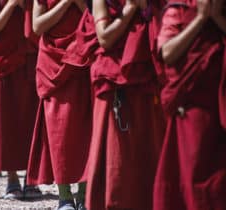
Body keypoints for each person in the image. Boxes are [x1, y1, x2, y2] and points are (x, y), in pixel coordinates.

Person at [85, 0, 166, 209]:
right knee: (117, 160)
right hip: (113, 82)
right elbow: (104, 38)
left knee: (148, 152)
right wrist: (131, 9)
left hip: (147, 79)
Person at [154, 0, 226, 210]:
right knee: (191, 175)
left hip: (222, 107)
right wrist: (199, 19)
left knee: (219, 183)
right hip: (192, 112)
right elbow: (167, 53)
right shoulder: (178, 10)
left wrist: (217, 18)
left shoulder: (223, 11)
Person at [26, 0, 91, 209]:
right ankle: (64, 196)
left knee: (86, 126)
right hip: (52, 62)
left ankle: (84, 193)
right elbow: (37, 26)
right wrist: (65, 3)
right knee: (58, 128)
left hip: (83, 54)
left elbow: (96, 16)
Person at [0, 0, 41, 199]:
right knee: (6, 119)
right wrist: (12, 5)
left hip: (30, 56)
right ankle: (12, 179)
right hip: (4, 59)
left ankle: (32, 178)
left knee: (32, 118)